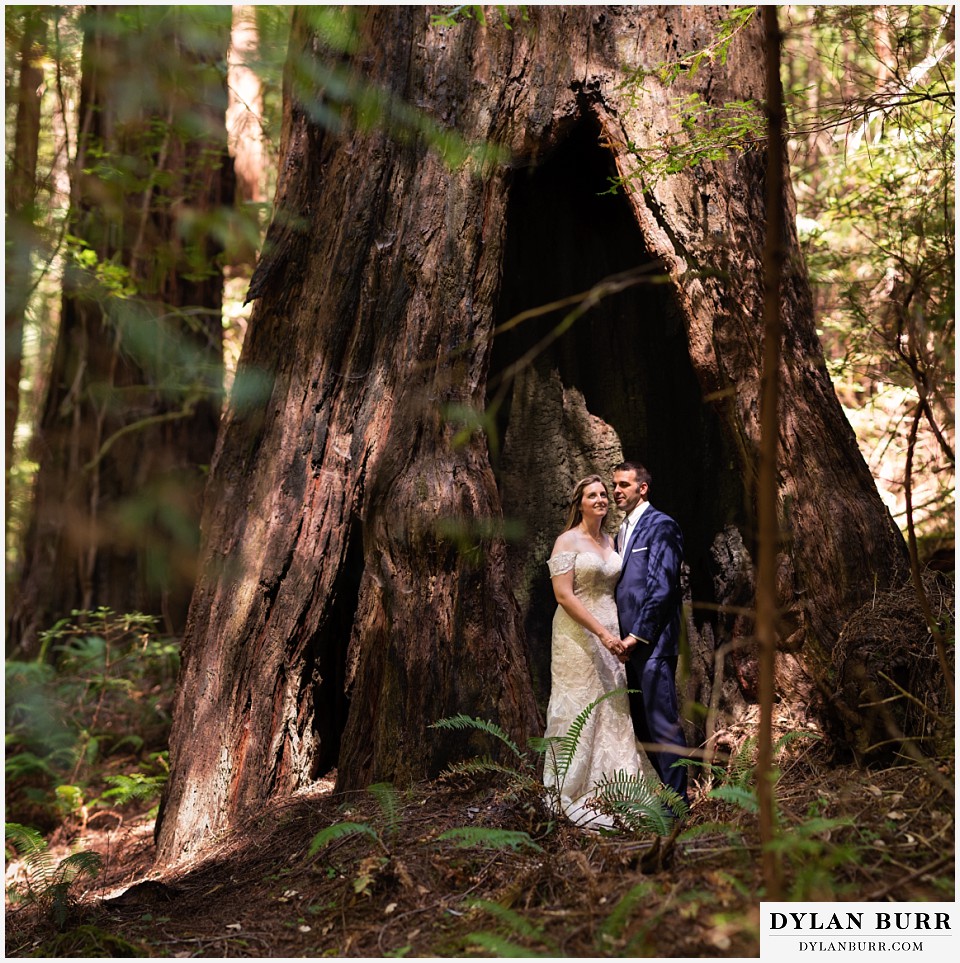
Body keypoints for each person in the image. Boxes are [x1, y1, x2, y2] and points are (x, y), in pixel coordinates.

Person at [543, 474, 646, 830]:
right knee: (577, 702)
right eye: (593, 495)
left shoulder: (611, 540)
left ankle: (616, 787)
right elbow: (564, 595)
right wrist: (601, 633)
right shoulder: (566, 541)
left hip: (612, 632)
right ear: (580, 503)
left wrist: (616, 634)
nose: (601, 499)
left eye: (604, 494)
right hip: (577, 633)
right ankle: (566, 788)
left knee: (611, 703)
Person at [612, 461, 690, 809]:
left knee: (662, 724)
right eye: (615, 484)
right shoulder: (620, 531)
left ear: (642, 488)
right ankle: (660, 799)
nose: (617, 491)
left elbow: (661, 588)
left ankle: (679, 804)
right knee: (640, 727)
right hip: (623, 647)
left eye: (624, 485)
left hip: (652, 644)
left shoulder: (662, 525)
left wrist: (636, 636)